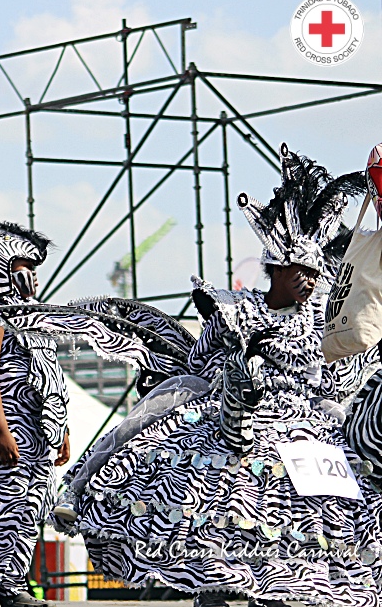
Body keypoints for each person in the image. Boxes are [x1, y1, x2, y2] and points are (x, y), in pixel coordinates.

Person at [72, 145, 382, 607]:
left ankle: (285, 585)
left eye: (315, 273)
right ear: (276, 268)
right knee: (218, 504)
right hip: (233, 418)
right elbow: (200, 366)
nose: (310, 281)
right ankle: (209, 582)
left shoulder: (320, 320)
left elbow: (325, 378)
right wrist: (241, 375)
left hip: (306, 428)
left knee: (312, 513)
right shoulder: (234, 309)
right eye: (300, 271)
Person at [0, 218, 70, 607]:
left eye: (34, 270)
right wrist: (0, 431)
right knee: (2, 506)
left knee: (31, 508)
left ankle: (11, 584)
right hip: (5, 426)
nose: (31, 278)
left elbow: (52, 374)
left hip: (40, 430)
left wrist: (62, 427)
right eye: (23, 268)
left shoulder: (36, 317)